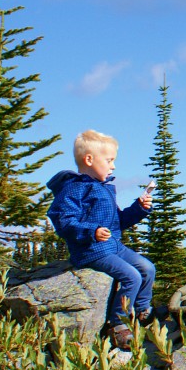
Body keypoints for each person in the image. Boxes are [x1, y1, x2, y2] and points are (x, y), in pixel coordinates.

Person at [46, 130, 154, 351]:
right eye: (109, 160)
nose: (113, 166)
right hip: (90, 250)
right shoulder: (73, 188)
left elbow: (118, 221)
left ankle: (143, 312)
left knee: (147, 268)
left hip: (113, 246)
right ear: (89, 159)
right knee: (131, 276)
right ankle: (118, 325)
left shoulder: (103, 188)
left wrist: (139, 209)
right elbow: (64, 221)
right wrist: (91, 231)